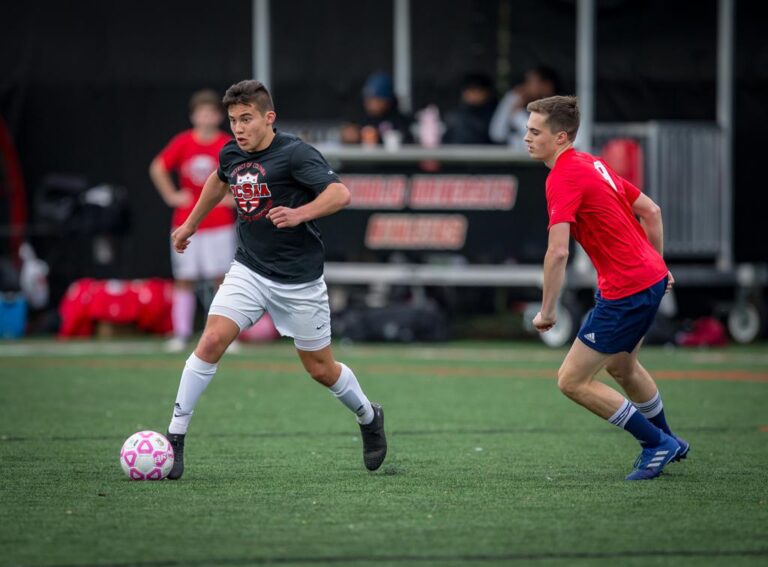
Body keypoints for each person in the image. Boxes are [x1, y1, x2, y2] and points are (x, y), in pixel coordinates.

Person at [164, 80, 387, 479]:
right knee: (211, 340)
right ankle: (175, 438)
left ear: (269, 118)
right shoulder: (232, 152)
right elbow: (219, 179)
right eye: (233, 120)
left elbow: (340, 195)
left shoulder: (296, 154)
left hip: (299, 281)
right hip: (249, 269)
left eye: (246, 119)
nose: (238, 128)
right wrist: (190, 224)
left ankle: (369, 416)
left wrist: (300, 214)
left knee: (321, 369)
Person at [524, 95, 689, 481]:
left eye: (535, 131)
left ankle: (655, 443)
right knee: (622, 366)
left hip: (627, 289)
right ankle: (669, 440)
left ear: (560, 137)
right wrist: (658, 264)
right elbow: (652, 211)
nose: (526, 138)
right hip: (648, 279)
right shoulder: (590, 162)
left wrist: (547, 311)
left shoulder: (562, 176)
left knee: (571, 380)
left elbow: (558, 252)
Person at [149, 90, 235, 353]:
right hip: (186, 222)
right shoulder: (183, 142)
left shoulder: (228, 143)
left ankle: (225, 335)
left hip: (219, 223)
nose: (206, 118)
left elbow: (247, 174)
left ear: (219, 117)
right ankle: (181, 333)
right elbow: (158, 167)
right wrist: (172, 196)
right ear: (193, 116)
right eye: (201, 113)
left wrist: (234, 199)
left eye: (211, 113)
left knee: (222, 279)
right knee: (184, 278)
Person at [490, 66, 559, 149]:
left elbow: (538, 140)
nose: (525, 87)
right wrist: (511, 98)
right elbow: (497, 134)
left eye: (530, 82)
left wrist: (517, 114)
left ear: (546, 85)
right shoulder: (524, 104)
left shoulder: (563, 109)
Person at [340, 72, 412, 146]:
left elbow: (408, 143)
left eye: (376, 99)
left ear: (388, 101)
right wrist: (350, 137)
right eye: (368, 99)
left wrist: (379, 138)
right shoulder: (359, 117)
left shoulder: (399, 121)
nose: (370, 103)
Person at [442, 73, 497, 145]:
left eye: (478, 90)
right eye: (470, 90)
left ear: (487, 93)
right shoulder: (454, 116)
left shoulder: (495, 116)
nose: (473, 94)